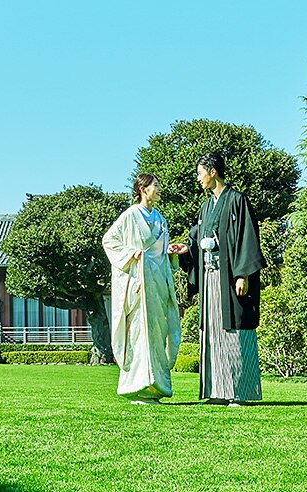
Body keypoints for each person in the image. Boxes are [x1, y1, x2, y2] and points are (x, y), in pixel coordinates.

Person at [169, 151, 266, 406]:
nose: (198, 179)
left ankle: (239, 392)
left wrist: (243, 273)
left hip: (231, 277)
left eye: (200, 173)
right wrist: (186, 249)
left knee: (233, 329)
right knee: (211, 330)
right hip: (210, 276)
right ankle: (217, 392)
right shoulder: (206, 206)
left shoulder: (237, 200)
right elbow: (198, 236)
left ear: (213, 172)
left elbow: (246, 236)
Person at [102, 172, 181, 402]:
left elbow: (159, 253)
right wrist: (131, 254)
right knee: (138, 334)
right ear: (143, 189)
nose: (158, 189)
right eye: (155, 186)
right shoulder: (129, 216)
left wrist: (169, 253)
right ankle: (136, 386)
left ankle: (157, 387)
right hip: (138, 286)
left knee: (157, 334)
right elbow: (109, 240)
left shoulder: (160, 219)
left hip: (157, 285)